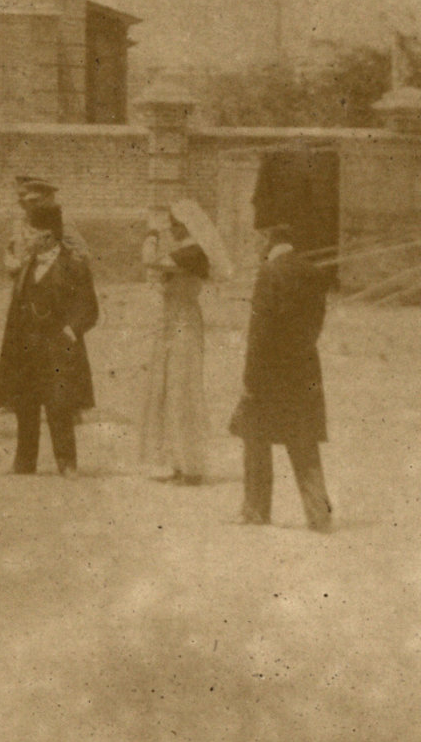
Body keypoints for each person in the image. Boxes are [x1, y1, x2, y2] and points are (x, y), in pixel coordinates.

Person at [228, 222, 335, 532]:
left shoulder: (269, 273)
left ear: (269, 241)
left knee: (255, 438)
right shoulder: (314, 273)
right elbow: (315, 325)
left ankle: (255, 510)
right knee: (304, 440)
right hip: (303, 366)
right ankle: (319, 513)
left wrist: (250, 378)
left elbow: (259, 333)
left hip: (269, 370)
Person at [0, 200, 99, 475]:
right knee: (25, 404)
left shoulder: (73, 265)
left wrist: (70, 331)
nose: (25, 238)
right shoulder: (27, 264)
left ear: (48, 236)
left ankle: (66, 462)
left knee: (59, 405)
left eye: (30, 233)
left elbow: (90, 309)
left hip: (58, 347)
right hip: (26, 345)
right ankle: (24, 461)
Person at [138, 200, 215, 486]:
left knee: (184, 394)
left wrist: (152, 235)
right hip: (172, 325)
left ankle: (192, 467)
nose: (172, 230)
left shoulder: (194, 252)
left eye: (175, 225)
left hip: (184, 325)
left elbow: (150, 260)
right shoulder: (184, 250)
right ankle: (178, 464)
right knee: (169, 393)